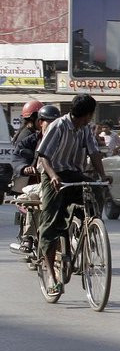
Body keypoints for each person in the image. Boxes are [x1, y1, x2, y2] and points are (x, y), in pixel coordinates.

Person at [35, 94, 111, 292]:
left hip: (74, 173)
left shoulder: (85, 129)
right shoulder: (59, 126)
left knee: (96, 190)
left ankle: (91, 225)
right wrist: (52, 176)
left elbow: (94, 153)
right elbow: (43, 157)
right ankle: (53, 278)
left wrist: (102, 176)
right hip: (54, 174)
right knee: (50, 225)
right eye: (91, 114)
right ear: (87, 114)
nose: (91, 118)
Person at [9, 104, 61, 254]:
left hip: (62, 182)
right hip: (38, 182)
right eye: (48, 122)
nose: (52, 126)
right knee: (34, 200)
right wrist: (25, 168)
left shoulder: (65, 137)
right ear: (40, 122)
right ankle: (29, 238)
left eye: (55, 122)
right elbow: (17, 157)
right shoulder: (30, 139)